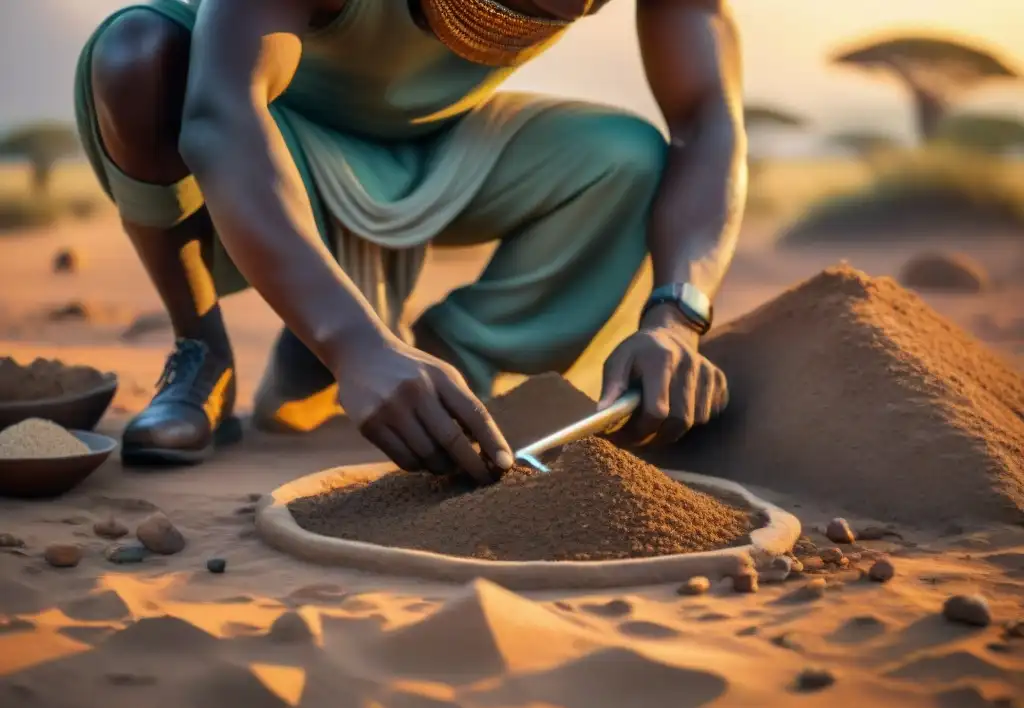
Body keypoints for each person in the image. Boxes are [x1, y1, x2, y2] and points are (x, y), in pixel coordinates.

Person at [74, 0, 744, 483]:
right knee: (139, 57)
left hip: (438, 148)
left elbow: (707, 118)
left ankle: (440, 373)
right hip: (275, 143)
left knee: (626, 161)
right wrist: (353, 344)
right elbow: (221, 115)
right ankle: (202, 356)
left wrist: (677, 316)